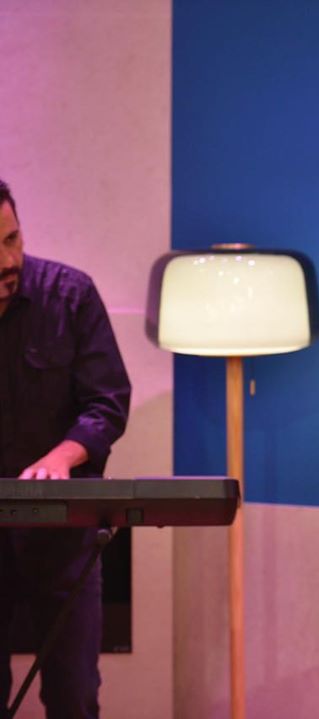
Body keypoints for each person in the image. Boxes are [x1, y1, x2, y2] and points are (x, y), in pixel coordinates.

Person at [0, 179, 131, 718]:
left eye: (11, 239)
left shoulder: (70, 294)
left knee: (73, 695)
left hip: (63, 534)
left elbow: (108, 402)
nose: (6, 261)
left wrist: (62, 456)